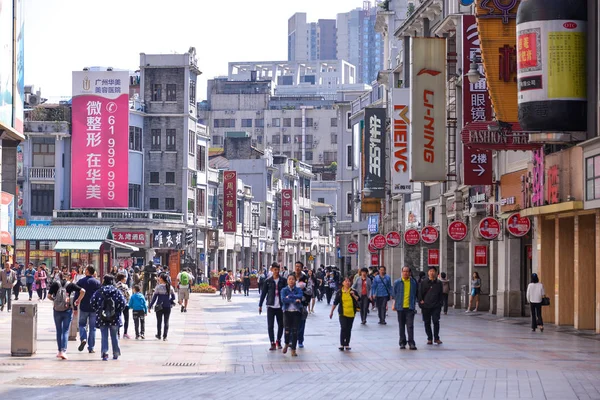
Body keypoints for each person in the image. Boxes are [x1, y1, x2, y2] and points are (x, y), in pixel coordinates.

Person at [47, 272, 86, 360]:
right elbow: (83, 291)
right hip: (67, 310)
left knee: (58, 330)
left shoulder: (54, 284)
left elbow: (48, 296)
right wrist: (77, 301)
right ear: (68, 277)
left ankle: (59, 351)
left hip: (56, 310)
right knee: (65, 331)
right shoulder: (71, 285)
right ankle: (63, 351)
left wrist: (55, 300)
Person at [91, 275, 127, 361]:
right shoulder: (117, 291)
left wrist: (98, 310)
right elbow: (123, 303)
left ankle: (105, 353)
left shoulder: (99, 291)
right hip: (115, 317)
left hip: (102, 317)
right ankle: (116, 353)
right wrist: (117, 311)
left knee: (104, 336)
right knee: (114, 336)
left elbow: (92, 302)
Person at [258, 262, 286, 351]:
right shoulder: (268, 281)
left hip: (280, 307)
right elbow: (263, 294)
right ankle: (272, 342)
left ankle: (278, 340)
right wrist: (260, 305)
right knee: (270, 326)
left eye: (277, 269)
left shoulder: (283, 280)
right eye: (274, 269)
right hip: (270, 306)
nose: (276, 271)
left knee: (281, 325)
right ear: (271, 270)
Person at [330, 277, 359, 351]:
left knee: (349, 329)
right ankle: (342, 344)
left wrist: (354, 295)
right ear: (343, 283)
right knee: (343, 327)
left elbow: (359, 299)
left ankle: (347, 344)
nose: (347, 282)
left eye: (349, 281)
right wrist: (331, 312)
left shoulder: (353, 291)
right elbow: (335, 302)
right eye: (346, 281)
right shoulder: (340, 292)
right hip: (342, 313)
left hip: (351, 313)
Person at [392, 266, 419, 350]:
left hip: (410, 307)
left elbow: (416, 293)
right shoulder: (397, 282)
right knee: (401, 326)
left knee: (410, 326)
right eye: (404, 271)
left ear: (410, 273)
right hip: (400, 307)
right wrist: (394, 304)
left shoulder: (413, 282)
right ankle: (402, 342)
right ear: (402, 272)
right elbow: (394, 294)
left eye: (407, 271)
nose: (405, 273)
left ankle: (411, 343)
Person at [77, 266, 101, 354]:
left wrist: (75, 303)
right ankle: (91, 347)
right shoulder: (97, 282)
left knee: (82, 324)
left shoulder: (81, 281)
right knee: (93, 328)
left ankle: (83, 338)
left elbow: (77, 292)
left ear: (87, 271)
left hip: (83, 306)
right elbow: (100, 295)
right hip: (94, 308)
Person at [418, 266, 444, 345]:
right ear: (428, 272)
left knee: (436, 321)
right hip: (426, 306)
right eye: (430, 271)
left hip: (436, 306)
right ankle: (429, 338)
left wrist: (440, 304)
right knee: (427, 322)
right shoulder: (424, 282)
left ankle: (436, 338)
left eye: (433, 271)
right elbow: (419, 293)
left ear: (436, 273)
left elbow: (441, 294)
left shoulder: (439, 283)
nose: (432, 273)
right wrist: (421, 302)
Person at [280, 275, 303, 357]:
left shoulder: (298, 289)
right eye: (289, 279)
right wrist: (294, 299)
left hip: (296, 312)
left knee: (295, 331)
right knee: (286, 330)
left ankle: (293, 349)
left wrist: (289, 296)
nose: (291, 281)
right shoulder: (284, 290)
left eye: (293, 279)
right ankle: (286, 343)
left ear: (295, 280)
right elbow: (283, 299)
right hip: (287, 312)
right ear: (287, 281)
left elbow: (300, 296)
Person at [149, 273, 176, 341]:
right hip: (167, 306)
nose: (158, 279)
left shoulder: (158, 287)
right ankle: (165, 336)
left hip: (159, 306)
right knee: (166, 321)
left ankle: (159, 335)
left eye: (159, 278)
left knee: (159, 321)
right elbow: (173, 297)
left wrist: (150, 306)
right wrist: (168, 300)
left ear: (161, 279)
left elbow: (154, 298)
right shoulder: (170, 287)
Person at [293, 261, 308, 349]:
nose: (297, 268)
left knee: (301, 323)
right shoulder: (291, 276)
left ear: (302, 268)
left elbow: (310, 290)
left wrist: (303, 288)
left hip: (302, 304)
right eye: (296, 266)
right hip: (291, 303)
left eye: (299, 266)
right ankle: (291, 340)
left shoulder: (305, 278)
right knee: (292, 323)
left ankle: (300, 340)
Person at [116, 273, 131, 339]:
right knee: (126, 319)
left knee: (118, 318)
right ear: (122, 278)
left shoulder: (116, 285)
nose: (126, 279)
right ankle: (125, 333)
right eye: (125, 278)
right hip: (125, 304)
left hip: (118, 304)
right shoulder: (125, 286)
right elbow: (127, 295)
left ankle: (118, 333)